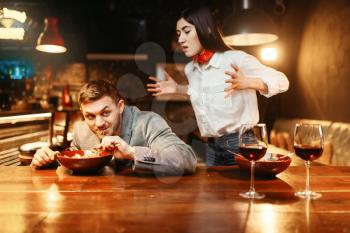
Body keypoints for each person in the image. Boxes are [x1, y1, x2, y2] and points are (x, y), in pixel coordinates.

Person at [147, 6, 289, 166]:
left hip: (240, 143)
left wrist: (250, 82)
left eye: (186, 31)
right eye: (179, 33)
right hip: (211, 146)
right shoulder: (191, 69)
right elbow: (203, 93)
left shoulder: (235, 59)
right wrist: (177, 89)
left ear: (205, 29)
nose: (180, 40)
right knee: (214, 191)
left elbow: (282, 80)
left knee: (243, 190)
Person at [31, 79, 197, 176]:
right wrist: (50, 160)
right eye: (90, 116)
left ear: (120, 106)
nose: (99, 123)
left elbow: (186, 159)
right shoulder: (81, 131)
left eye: (105, 113)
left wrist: (132, 153)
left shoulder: (148, 123)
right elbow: (72, 165)